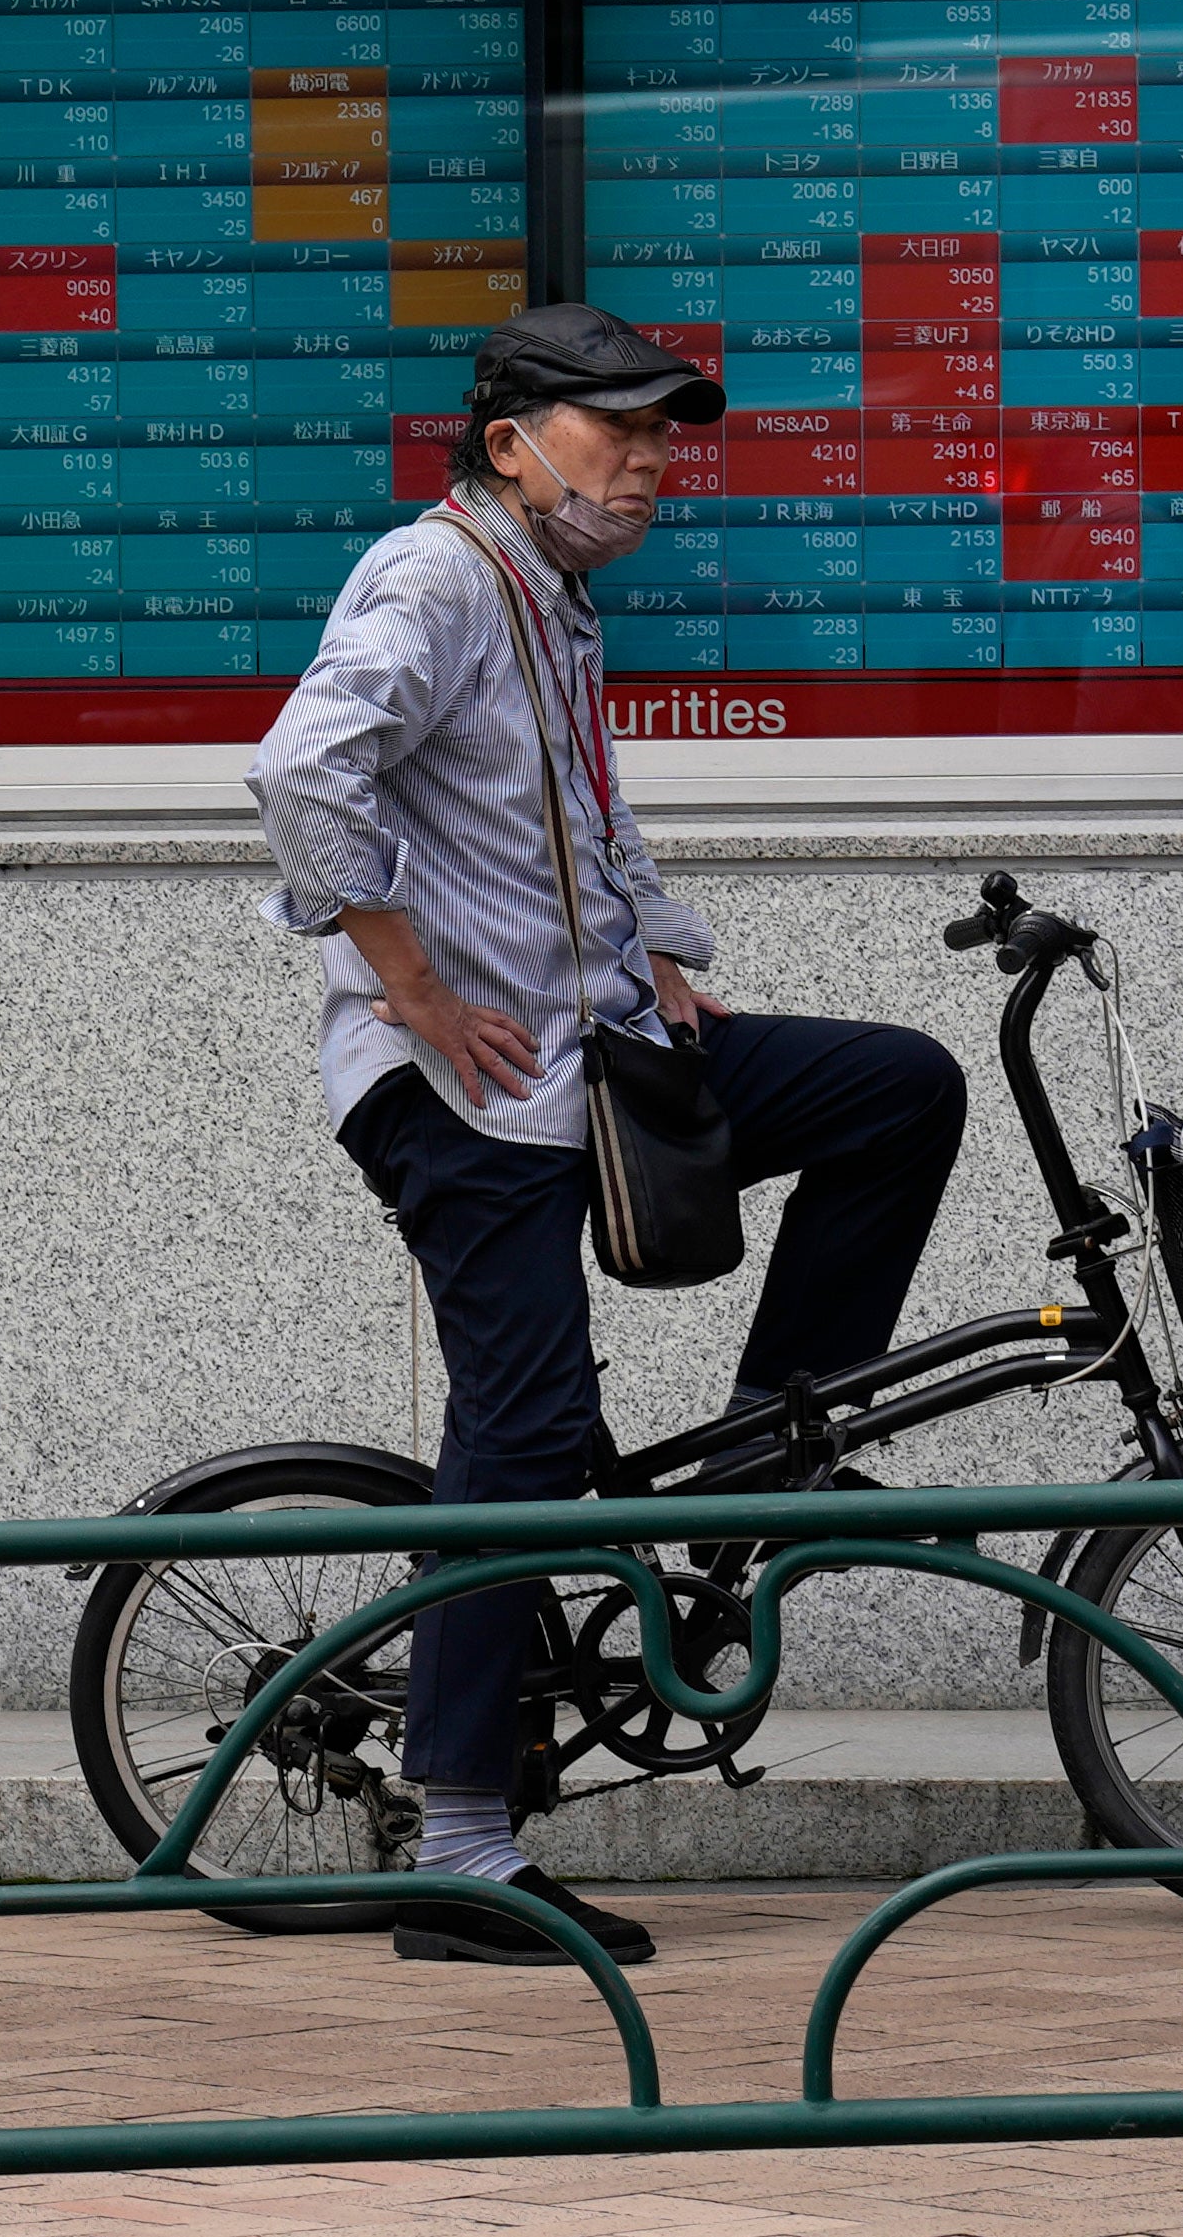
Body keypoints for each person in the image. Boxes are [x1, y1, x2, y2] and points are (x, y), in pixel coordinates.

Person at [244, 302, 970, 1970]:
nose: (651, 464)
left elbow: (580, 810)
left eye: (665, 437)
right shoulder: (432, 579)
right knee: (528, 1429)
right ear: (509, 443)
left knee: (896, 1088)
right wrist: (411, 988)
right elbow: (302, 776)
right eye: (617, 431)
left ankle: (769, 1455)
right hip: (466, 1092)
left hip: (598, 1048)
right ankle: (462, 1849)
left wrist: (650, 949)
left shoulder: (548, 600)